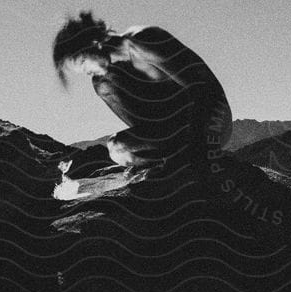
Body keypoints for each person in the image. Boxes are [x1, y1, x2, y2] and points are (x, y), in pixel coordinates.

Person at [52, 10, 232, 174]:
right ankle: (163, 163)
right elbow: (143, 127)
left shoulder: (142, 40)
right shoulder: (105, 80)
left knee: (122, 145)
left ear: (94, 43)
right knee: (117, 147)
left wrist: (199, 147)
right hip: (174, 129)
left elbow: (203, 88)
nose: (86, 72)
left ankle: (180, 160)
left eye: (83, 62)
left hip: (211, 120)